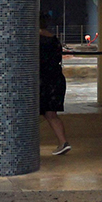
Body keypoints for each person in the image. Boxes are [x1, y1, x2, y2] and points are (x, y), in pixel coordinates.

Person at [39, 13, 72, 156]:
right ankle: (63, 142)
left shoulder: (34, 40)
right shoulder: (54, 40)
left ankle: (25, 144)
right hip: (56, 79)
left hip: (42, 81)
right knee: (51, 113)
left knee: (32, 113)